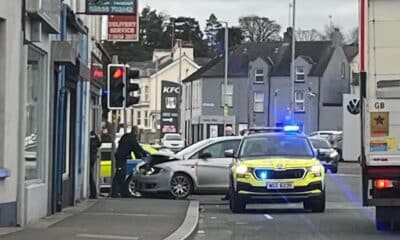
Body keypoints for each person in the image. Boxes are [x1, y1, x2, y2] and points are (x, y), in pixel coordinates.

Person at [111, 126, 149, 198]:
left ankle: (119, 192)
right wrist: (144, 154)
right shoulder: (132, 139)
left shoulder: (126, 136)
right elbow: (137, 148)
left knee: (121, 174)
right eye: (137, 132)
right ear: (135, 132)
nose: (138, 134)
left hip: (120, 157)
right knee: (119, 174)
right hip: (121, 158)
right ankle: (115, 193)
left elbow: (134, 149)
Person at [89, 130, 101, 199]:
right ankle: (93, 193)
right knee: (91, 175)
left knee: (90, 176)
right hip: (93, 156)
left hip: (91, 156)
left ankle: (93, 194)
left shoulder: (89, 135)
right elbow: (99, 144)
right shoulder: (94, 135)